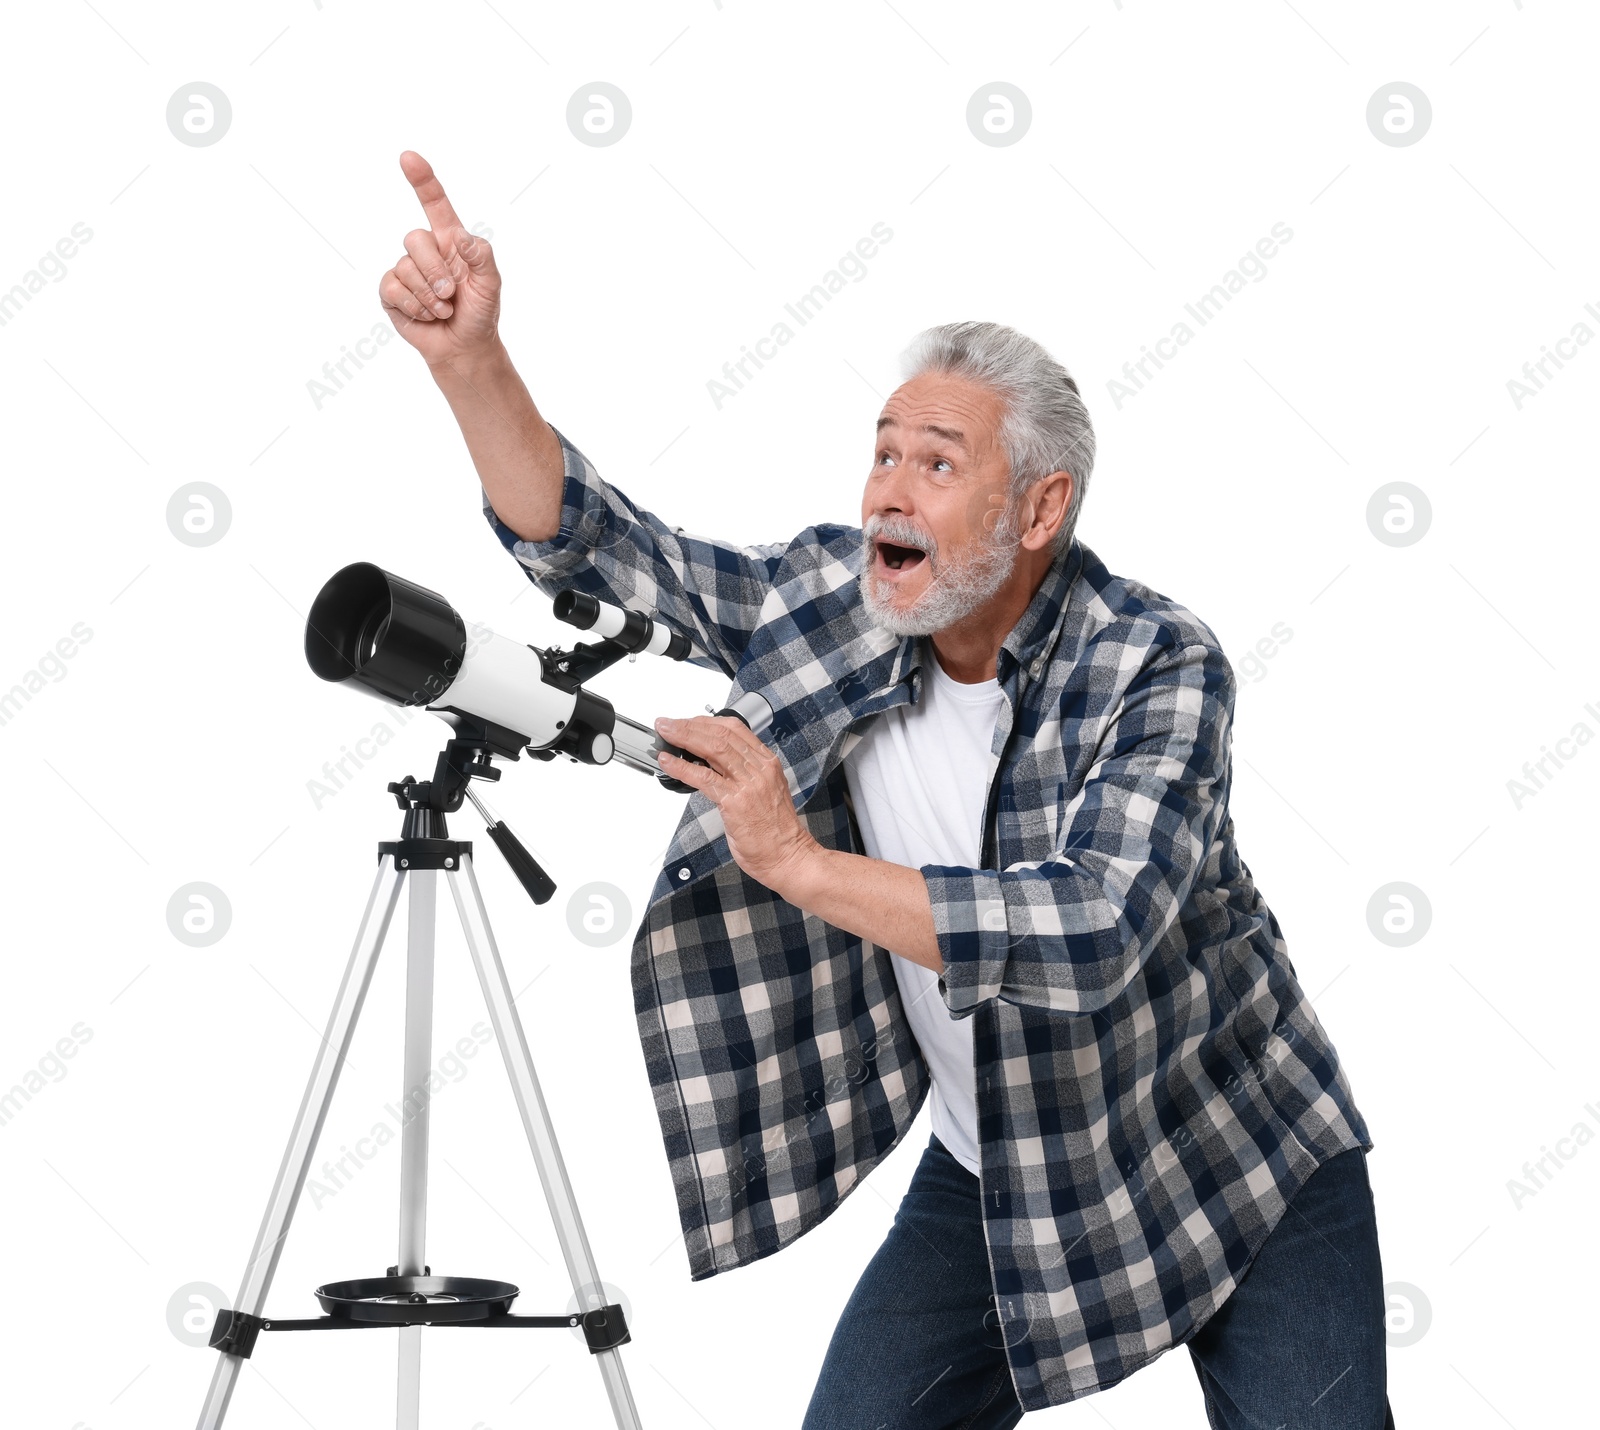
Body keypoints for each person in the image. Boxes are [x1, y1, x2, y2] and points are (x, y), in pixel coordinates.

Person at [378, 152, 1395, 1427]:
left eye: (934, 463)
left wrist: (796, 858)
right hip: (1000, 1166)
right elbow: (606, 549)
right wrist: (467, 362)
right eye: (881, 453)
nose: (885, 493)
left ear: (1040, 509)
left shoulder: (1157, 661)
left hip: (1235, 1152)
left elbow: (1087, 930)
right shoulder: (832, 601)